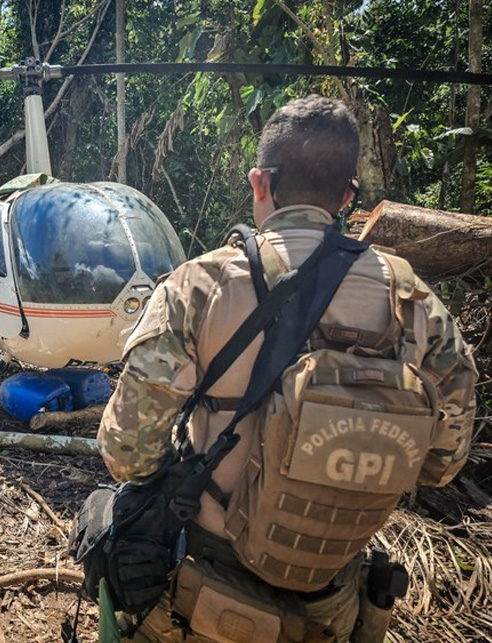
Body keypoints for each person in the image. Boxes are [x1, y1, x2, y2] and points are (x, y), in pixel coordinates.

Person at [97, 95, 477, 643]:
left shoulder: (199, 286)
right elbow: (442, 465)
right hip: (330, 599)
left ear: (260, 183)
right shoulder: (414, 301)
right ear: (348, 195)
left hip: (204, 593)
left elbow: (126, 454)